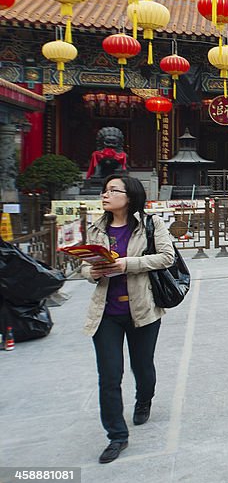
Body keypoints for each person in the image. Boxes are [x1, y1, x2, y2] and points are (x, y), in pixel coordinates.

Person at [81, 175, 175, 464]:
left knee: (142, 365)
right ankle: (116, 436)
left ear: (129, 196)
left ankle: (144, 399)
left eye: (113, 190)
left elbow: (167, 257)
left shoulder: (150, 225)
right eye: (105, 190)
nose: (106, 195)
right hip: (105, 313)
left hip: (142, 309)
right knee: (109, 376)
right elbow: (85, 267)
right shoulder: (96, 227)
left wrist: (127, 264)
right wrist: (91, 273)